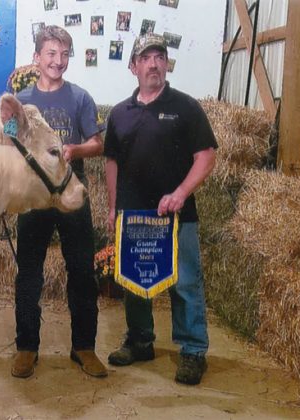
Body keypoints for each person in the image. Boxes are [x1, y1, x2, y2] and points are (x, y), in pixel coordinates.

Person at [103, 33, 217, 385]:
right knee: (135, 282)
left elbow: (206, 156)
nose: (154, 63)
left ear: (166, 64)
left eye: (160, 57)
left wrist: (182, 192)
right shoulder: (119, 113)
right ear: (133, 66)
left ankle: (193, 351)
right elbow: (111, 162)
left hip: (177, 216)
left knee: (185, 284)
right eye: (146, 58)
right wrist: (113, 207)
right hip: (134, 217)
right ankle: (140, 341)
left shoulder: (186, 107)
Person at [11, 25, 106, 379]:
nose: (58, 60)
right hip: (34, 199)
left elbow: (98, 144)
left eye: (64, 54)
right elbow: (7, 142)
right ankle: (26, 348)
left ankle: (84, 347)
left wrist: (75, 150)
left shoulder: (80, 98)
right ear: (37, 58)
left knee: (82, 271)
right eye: (51, 53)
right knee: (29, 275)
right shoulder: (20, 102)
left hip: (71, 194)